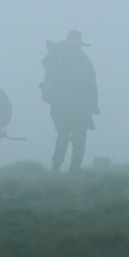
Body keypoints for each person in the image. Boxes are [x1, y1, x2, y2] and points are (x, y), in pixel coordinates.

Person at [39, 30, 99, 172]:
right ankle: (56, 166)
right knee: (63, 136)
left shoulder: (85, 60)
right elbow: (49, 72)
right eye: (73, 43)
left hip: (81, 106)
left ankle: (74, 170)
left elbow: (92, 84)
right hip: (62, 105)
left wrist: (94, 104)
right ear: (68, 44)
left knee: (79, 140)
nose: (76, 46)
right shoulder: (58, 58)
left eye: (77, 44)